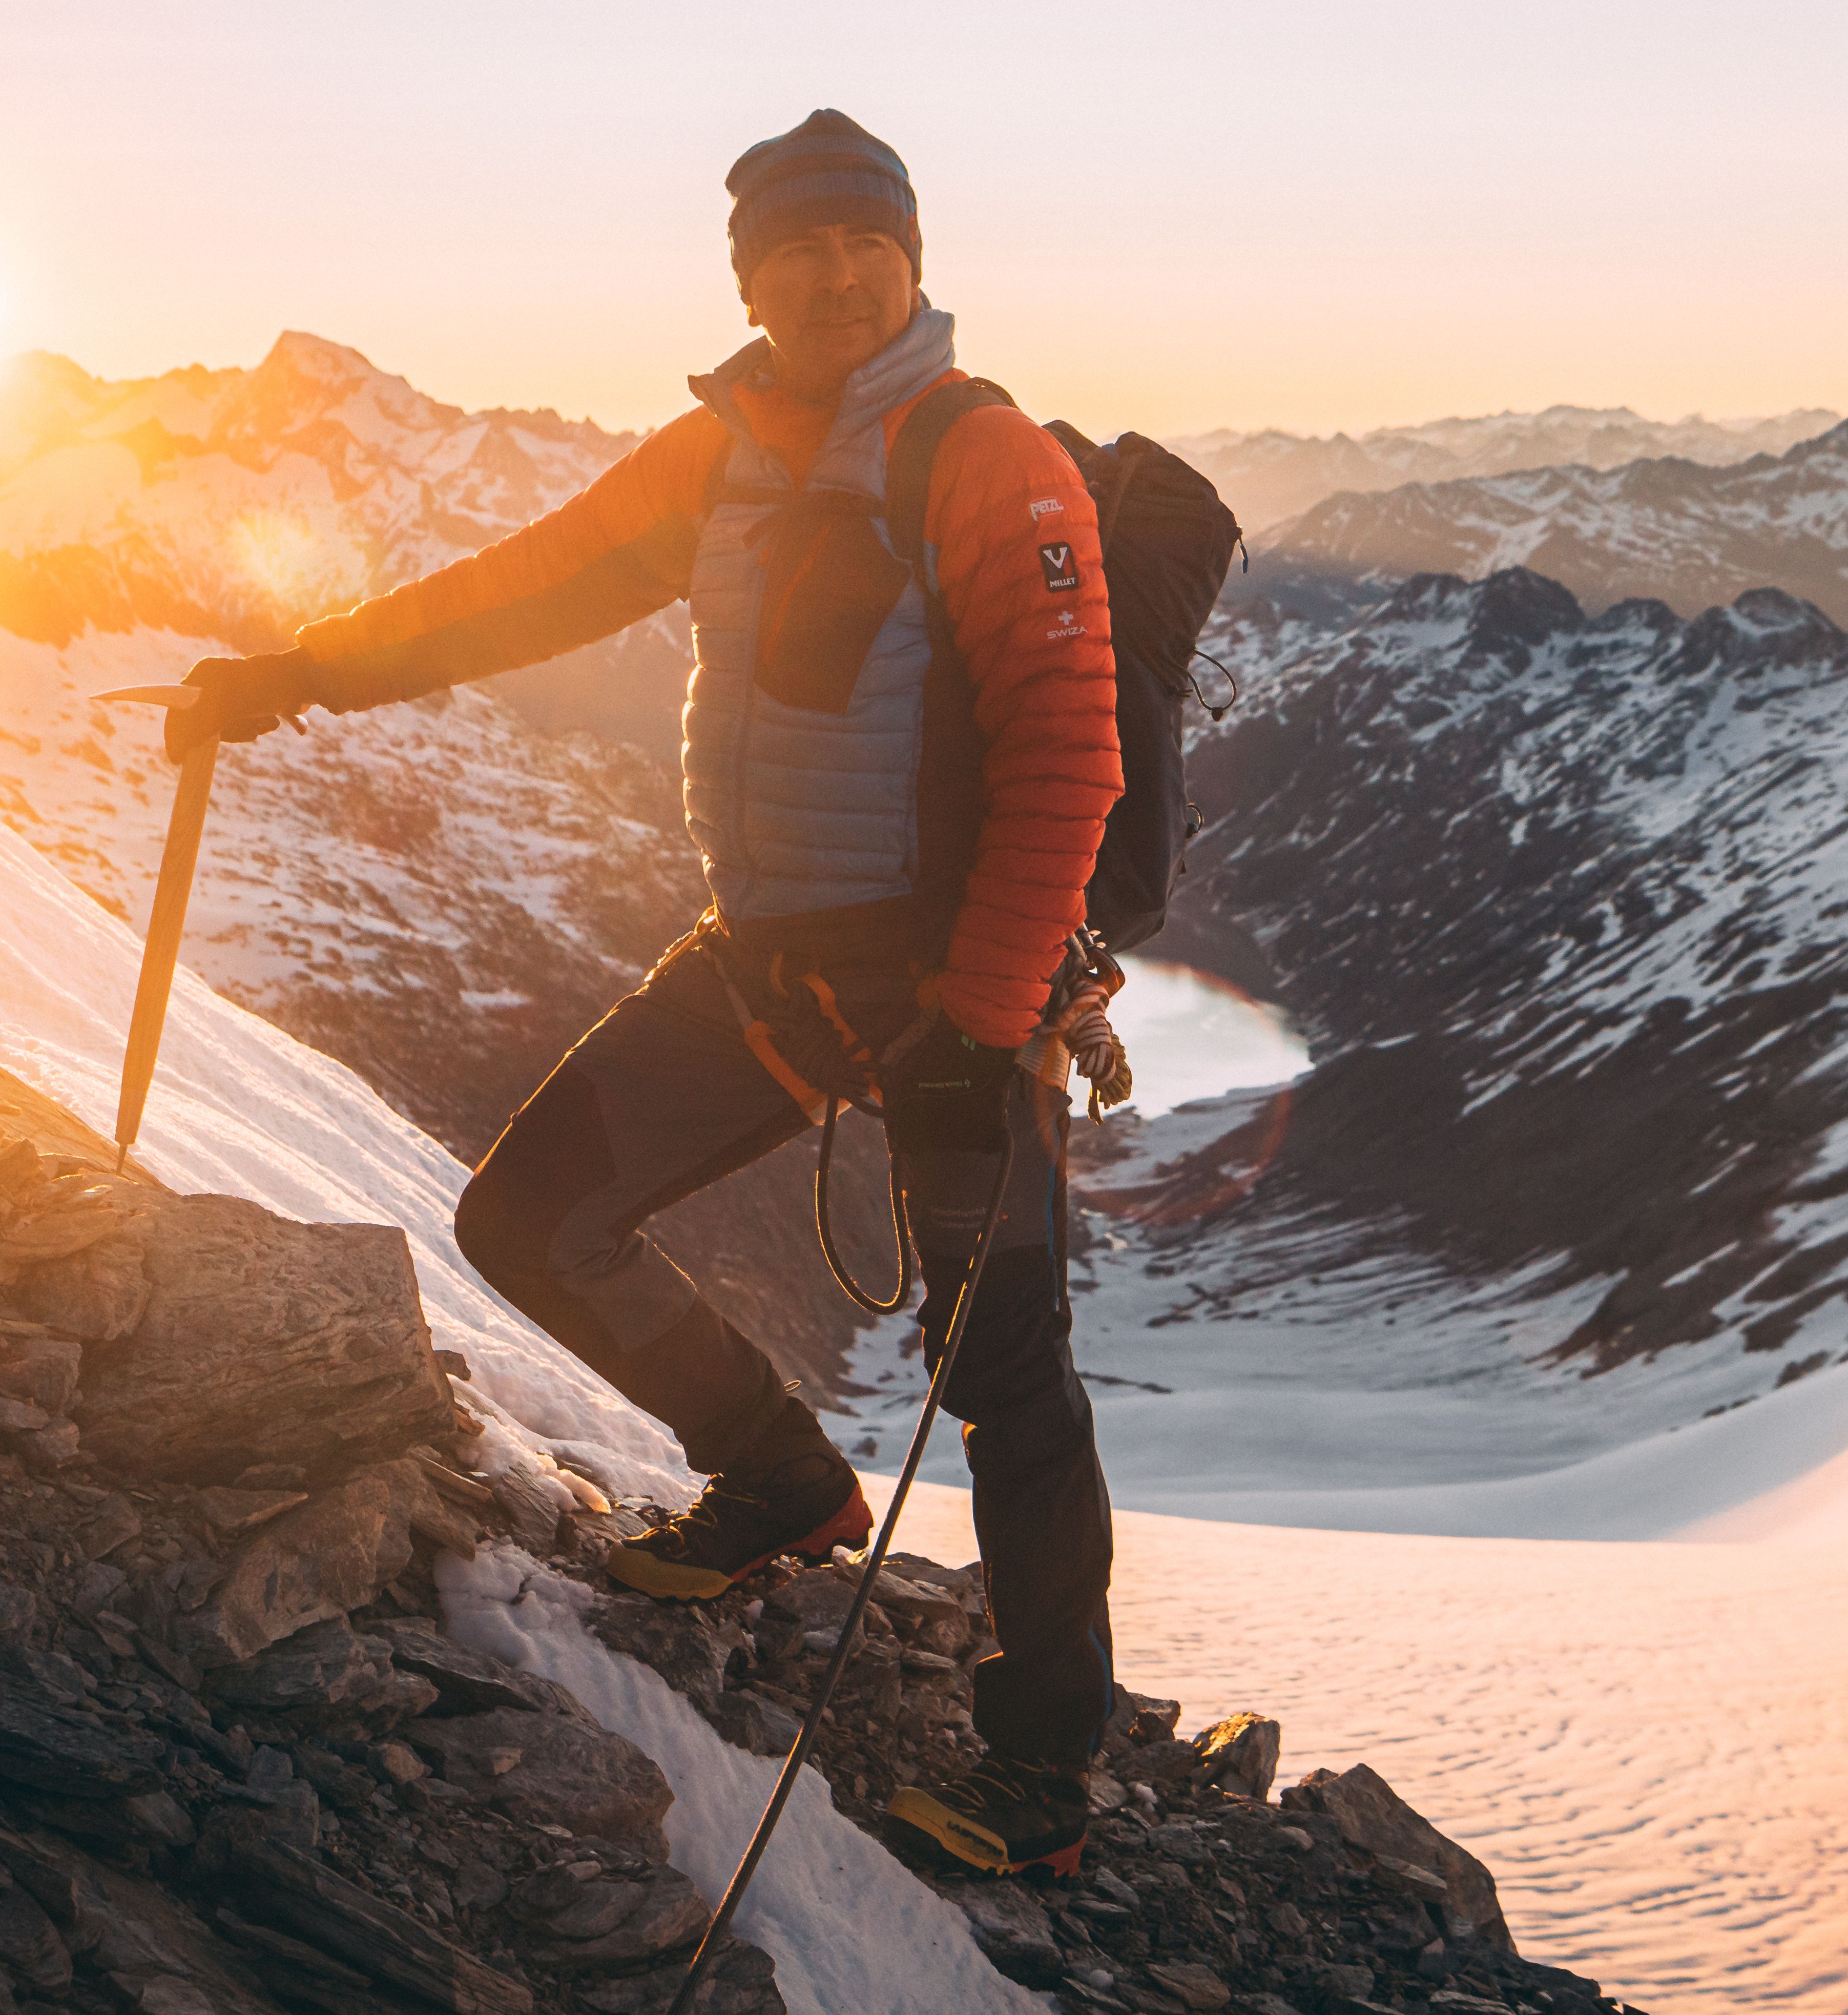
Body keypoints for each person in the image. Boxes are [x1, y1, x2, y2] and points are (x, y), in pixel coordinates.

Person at [166, 109, 1119, 1879]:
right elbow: (513, 596)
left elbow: (1071, 754)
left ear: (912, 260)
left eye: (863, 246)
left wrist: (988, 1010)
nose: (833, 279)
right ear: (746, 279)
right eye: (792, 254)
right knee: (530, 1215)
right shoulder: (720, 455)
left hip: (952, 989)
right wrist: (296, 678)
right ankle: (778, 1479)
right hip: (767, 964)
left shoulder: (988, 461)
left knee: (1005, 1378)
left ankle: (1044, 1777)